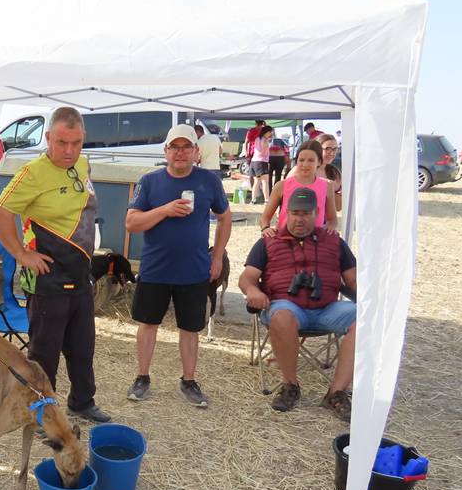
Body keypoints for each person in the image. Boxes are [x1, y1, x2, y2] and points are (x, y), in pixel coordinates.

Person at [0, 107, 111, 424]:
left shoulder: (83, 164)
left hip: (80, 274)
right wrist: (21, 254)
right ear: (47, 138)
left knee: (82, 348)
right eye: (61, 142)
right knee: (44, 354)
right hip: (47, 279)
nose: (69, 150)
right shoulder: (32, 173)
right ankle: (42, 414)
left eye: (76, 142)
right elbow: (0, 214)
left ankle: (82, 402)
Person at [124, 125, 232, 407]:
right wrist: (165, 210)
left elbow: (225, 217)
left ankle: (189, 380)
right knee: (148, 324)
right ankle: (142, 377)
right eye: (175, 147)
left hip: (194, 269)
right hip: (155, 268)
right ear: (166, 151)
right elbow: (131, 223)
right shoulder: (150, 181)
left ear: (196, 152)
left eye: (187, 147)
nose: (180, 152)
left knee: (190, 328)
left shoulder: (208, 181)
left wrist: (217, 256)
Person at [238, 188, 357, 421]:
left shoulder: (334, 241)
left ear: (317, 214)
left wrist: (374, 298)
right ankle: (290, 385)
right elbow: (247, 279)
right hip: (285, 306)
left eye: (305, 213)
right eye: (294, 213)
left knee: (366, 320)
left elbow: (353, 279)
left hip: (327, 308)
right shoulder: (268, 241)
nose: (299, 219)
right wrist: (253, 291)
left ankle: (336, 392)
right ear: (285, 213)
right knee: (282, 316)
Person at [261, 140, 338, 235]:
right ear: (296, 161)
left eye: (311, 160)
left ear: (319, 162)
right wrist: (265, 228)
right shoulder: (281, 186)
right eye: (301, 160)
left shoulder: (327, 186)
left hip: (314, 240)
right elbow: (265, 218)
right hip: (285, 239)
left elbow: (332, 219)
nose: (305, 164)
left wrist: (329, 230)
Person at [315, 133, 343, 212]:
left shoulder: (335, 173)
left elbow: (338, 207)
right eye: (327, 149)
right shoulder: (304, 170)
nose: (332, 153)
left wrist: (335, 192)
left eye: (334, 149)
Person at [250, 125, 273, 205]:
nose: (270, 134)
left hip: (254, 161)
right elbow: (263, 152)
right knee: (265, 182)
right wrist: (266, 148)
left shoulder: (257, 139)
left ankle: (253, 200)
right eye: (270, 132)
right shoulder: (264, 140)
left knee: (256, 181)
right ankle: (267, 200)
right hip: (261, 162)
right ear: (266, 132)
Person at [245, 119, 265, 196]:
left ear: (255, 123)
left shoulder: (252, 130)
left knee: (252, 174)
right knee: (260, 174)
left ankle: (254, 190)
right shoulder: (263, 131)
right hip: (258, 154)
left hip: (253, 154)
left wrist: (246, 153)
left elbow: (246, 143)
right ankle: (258, 191)